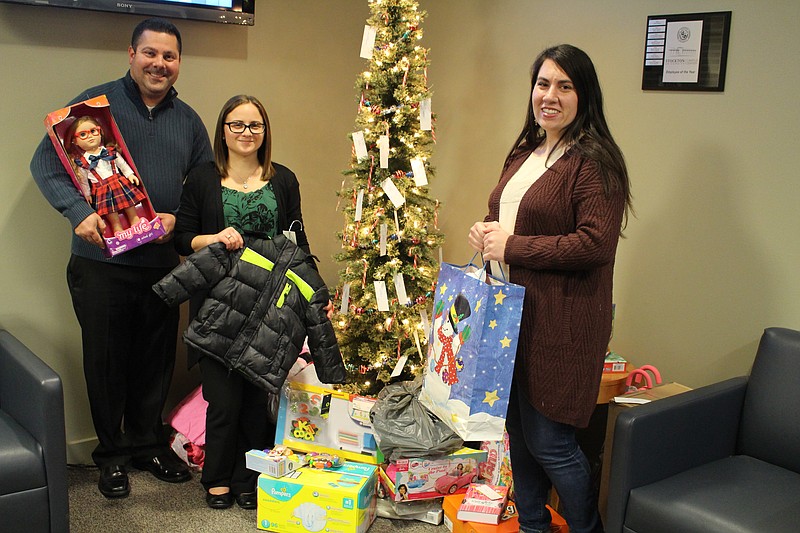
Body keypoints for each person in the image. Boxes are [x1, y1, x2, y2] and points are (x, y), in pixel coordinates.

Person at [30, 18, 213, 499]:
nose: (160, 64)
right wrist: (77, 213)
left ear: (178, 64)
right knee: (107, 362)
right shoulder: (92, 110)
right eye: (150, 53)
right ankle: (111, 456)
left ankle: (148, 444)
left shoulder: (188, 121)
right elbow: (45, 165)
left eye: (169, 57)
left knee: (154, 361)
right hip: (102, 266)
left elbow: (199, 189)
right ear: (130, 55)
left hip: (158, 265)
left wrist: (178, 220)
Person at [468, 44, 632, 533]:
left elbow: (594, 245)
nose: (550, 96)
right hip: (510, 317)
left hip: (560, 324)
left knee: (552, 443)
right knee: (519, 436)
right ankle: (533, 526)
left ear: (584, 95)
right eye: (543, 84)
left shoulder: (594, 161)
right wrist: (486, 230)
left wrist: (512, 246)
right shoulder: (527, 151)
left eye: (564, 86)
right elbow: (510, 217)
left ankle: (587, 528)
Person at [172, 94, 335, 510]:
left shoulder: (283, 179)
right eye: (237, 125)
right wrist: (215, 238)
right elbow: (181, 238)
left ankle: (249, 476)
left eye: (255, 126)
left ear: (265, 132)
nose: (247, 133)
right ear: (222, 130)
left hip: (270, 310)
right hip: (218, 307)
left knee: (254, 398)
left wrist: (316, 294)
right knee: (222, 400)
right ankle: (217, 477)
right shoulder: (202, 178)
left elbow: (299, 243)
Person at [65, 116, 146, 234]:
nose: (90, 136)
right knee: (110, 211)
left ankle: (135, 221)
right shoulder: (83, 162)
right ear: (75, 141)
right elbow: (83, 180)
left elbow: (122, 164)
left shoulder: (110, 152)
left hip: (119, 182)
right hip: (101, 188)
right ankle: (117, 228)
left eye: (93, 131)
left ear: (100, 132)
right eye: (83, 134)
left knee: (129, 203)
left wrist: (130, 174)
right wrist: (87, 194)